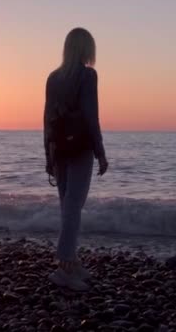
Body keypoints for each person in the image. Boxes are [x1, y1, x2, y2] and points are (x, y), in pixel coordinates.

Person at [43, 27, 108, 291]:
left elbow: (47, 118)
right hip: (80, 147)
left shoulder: (53, 77)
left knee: (66, 207)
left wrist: (48, 154)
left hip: (59, 148)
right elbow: (91, 116)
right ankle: (65, 266)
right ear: (86, 48)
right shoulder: (88, 75)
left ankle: (72, 262)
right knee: (73, 207)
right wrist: (100, 152)